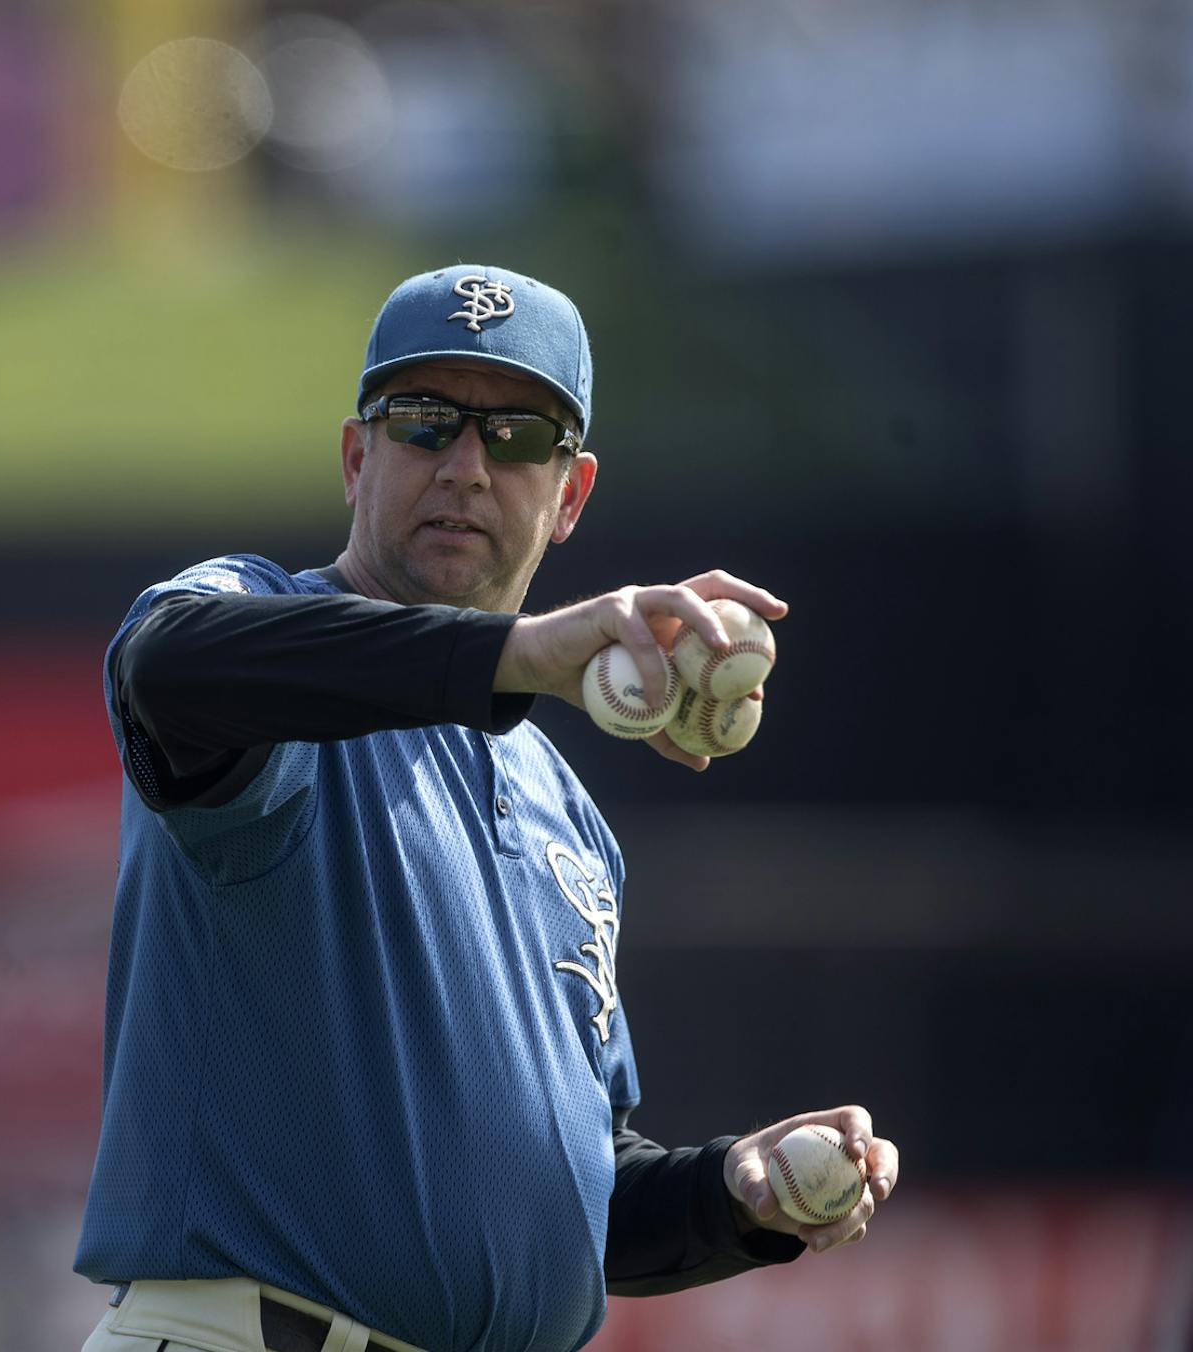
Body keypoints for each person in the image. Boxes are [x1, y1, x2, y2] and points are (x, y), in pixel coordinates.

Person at [72, 265, 901, 1352]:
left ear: (570, 496)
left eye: (515, 436)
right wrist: (526, 650)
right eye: (425, 423)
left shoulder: (567, 810)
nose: (465, 465)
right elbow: (165, 666)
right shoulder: (262, 627)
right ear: (357, 457)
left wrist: (730, 1196)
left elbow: (565, 1197)